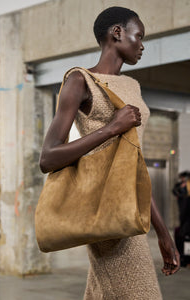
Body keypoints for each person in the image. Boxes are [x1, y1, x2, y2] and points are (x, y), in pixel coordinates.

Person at [39, 6, 180, 299]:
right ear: (117, 33)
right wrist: (111, 128)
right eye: (138, 36)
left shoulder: (132, 85)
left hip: (130, 211)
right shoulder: (79, 80)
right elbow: (48, 157)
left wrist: (163, 234)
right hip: (104, 210)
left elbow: (135, 165)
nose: (142, 45)